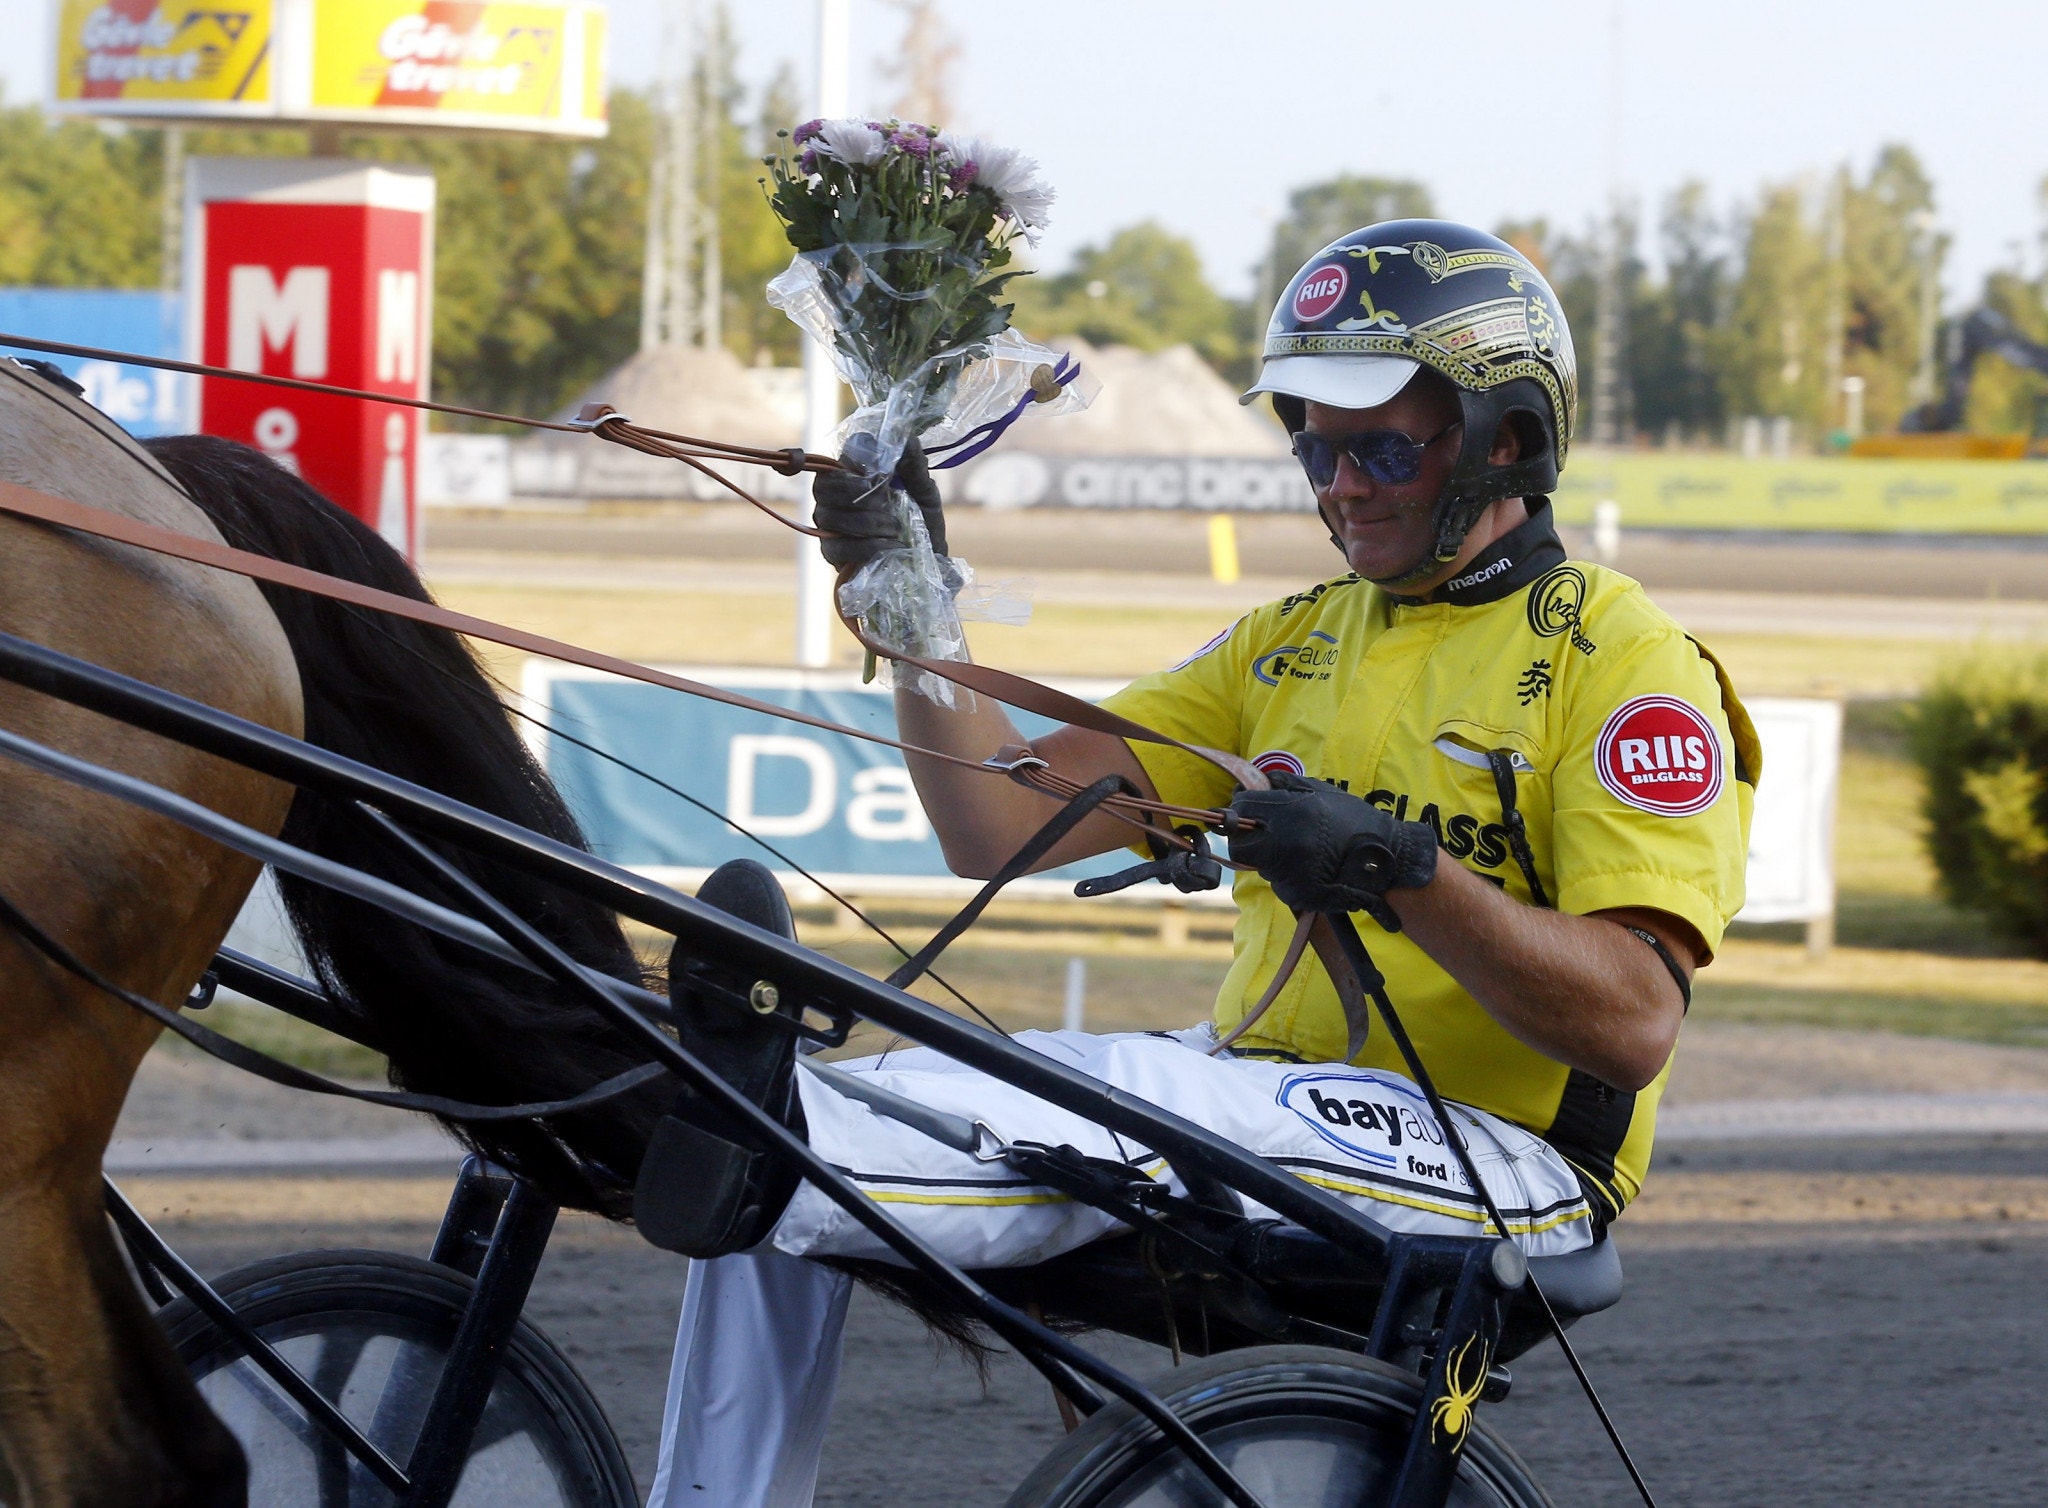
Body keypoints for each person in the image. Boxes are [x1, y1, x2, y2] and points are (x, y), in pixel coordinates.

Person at [642, 220, 1758, 1506]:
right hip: (1269, 1092)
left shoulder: (1622, 662)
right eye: (1315, 447)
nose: (1341, 485)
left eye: (1382, 448)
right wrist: (912, 606)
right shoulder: (1284, 644)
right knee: (805, 1118)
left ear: (1505, 438)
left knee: (1087, 1097)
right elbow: (992, 825)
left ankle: (779, 1127)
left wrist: (1398, 867)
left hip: (1505, 1158)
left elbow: (1631, 1020)